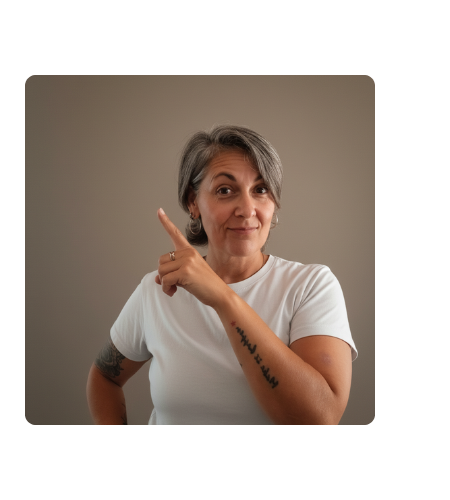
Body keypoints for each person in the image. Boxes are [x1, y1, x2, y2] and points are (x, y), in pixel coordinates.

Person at [86, 125, 357, 425]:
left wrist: (222, 297)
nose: (247, 209)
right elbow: (104, 377)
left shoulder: (310, 287)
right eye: (225, 191)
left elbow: (321, 417)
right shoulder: (158, 290)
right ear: (193, 202)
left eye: (261, 190)